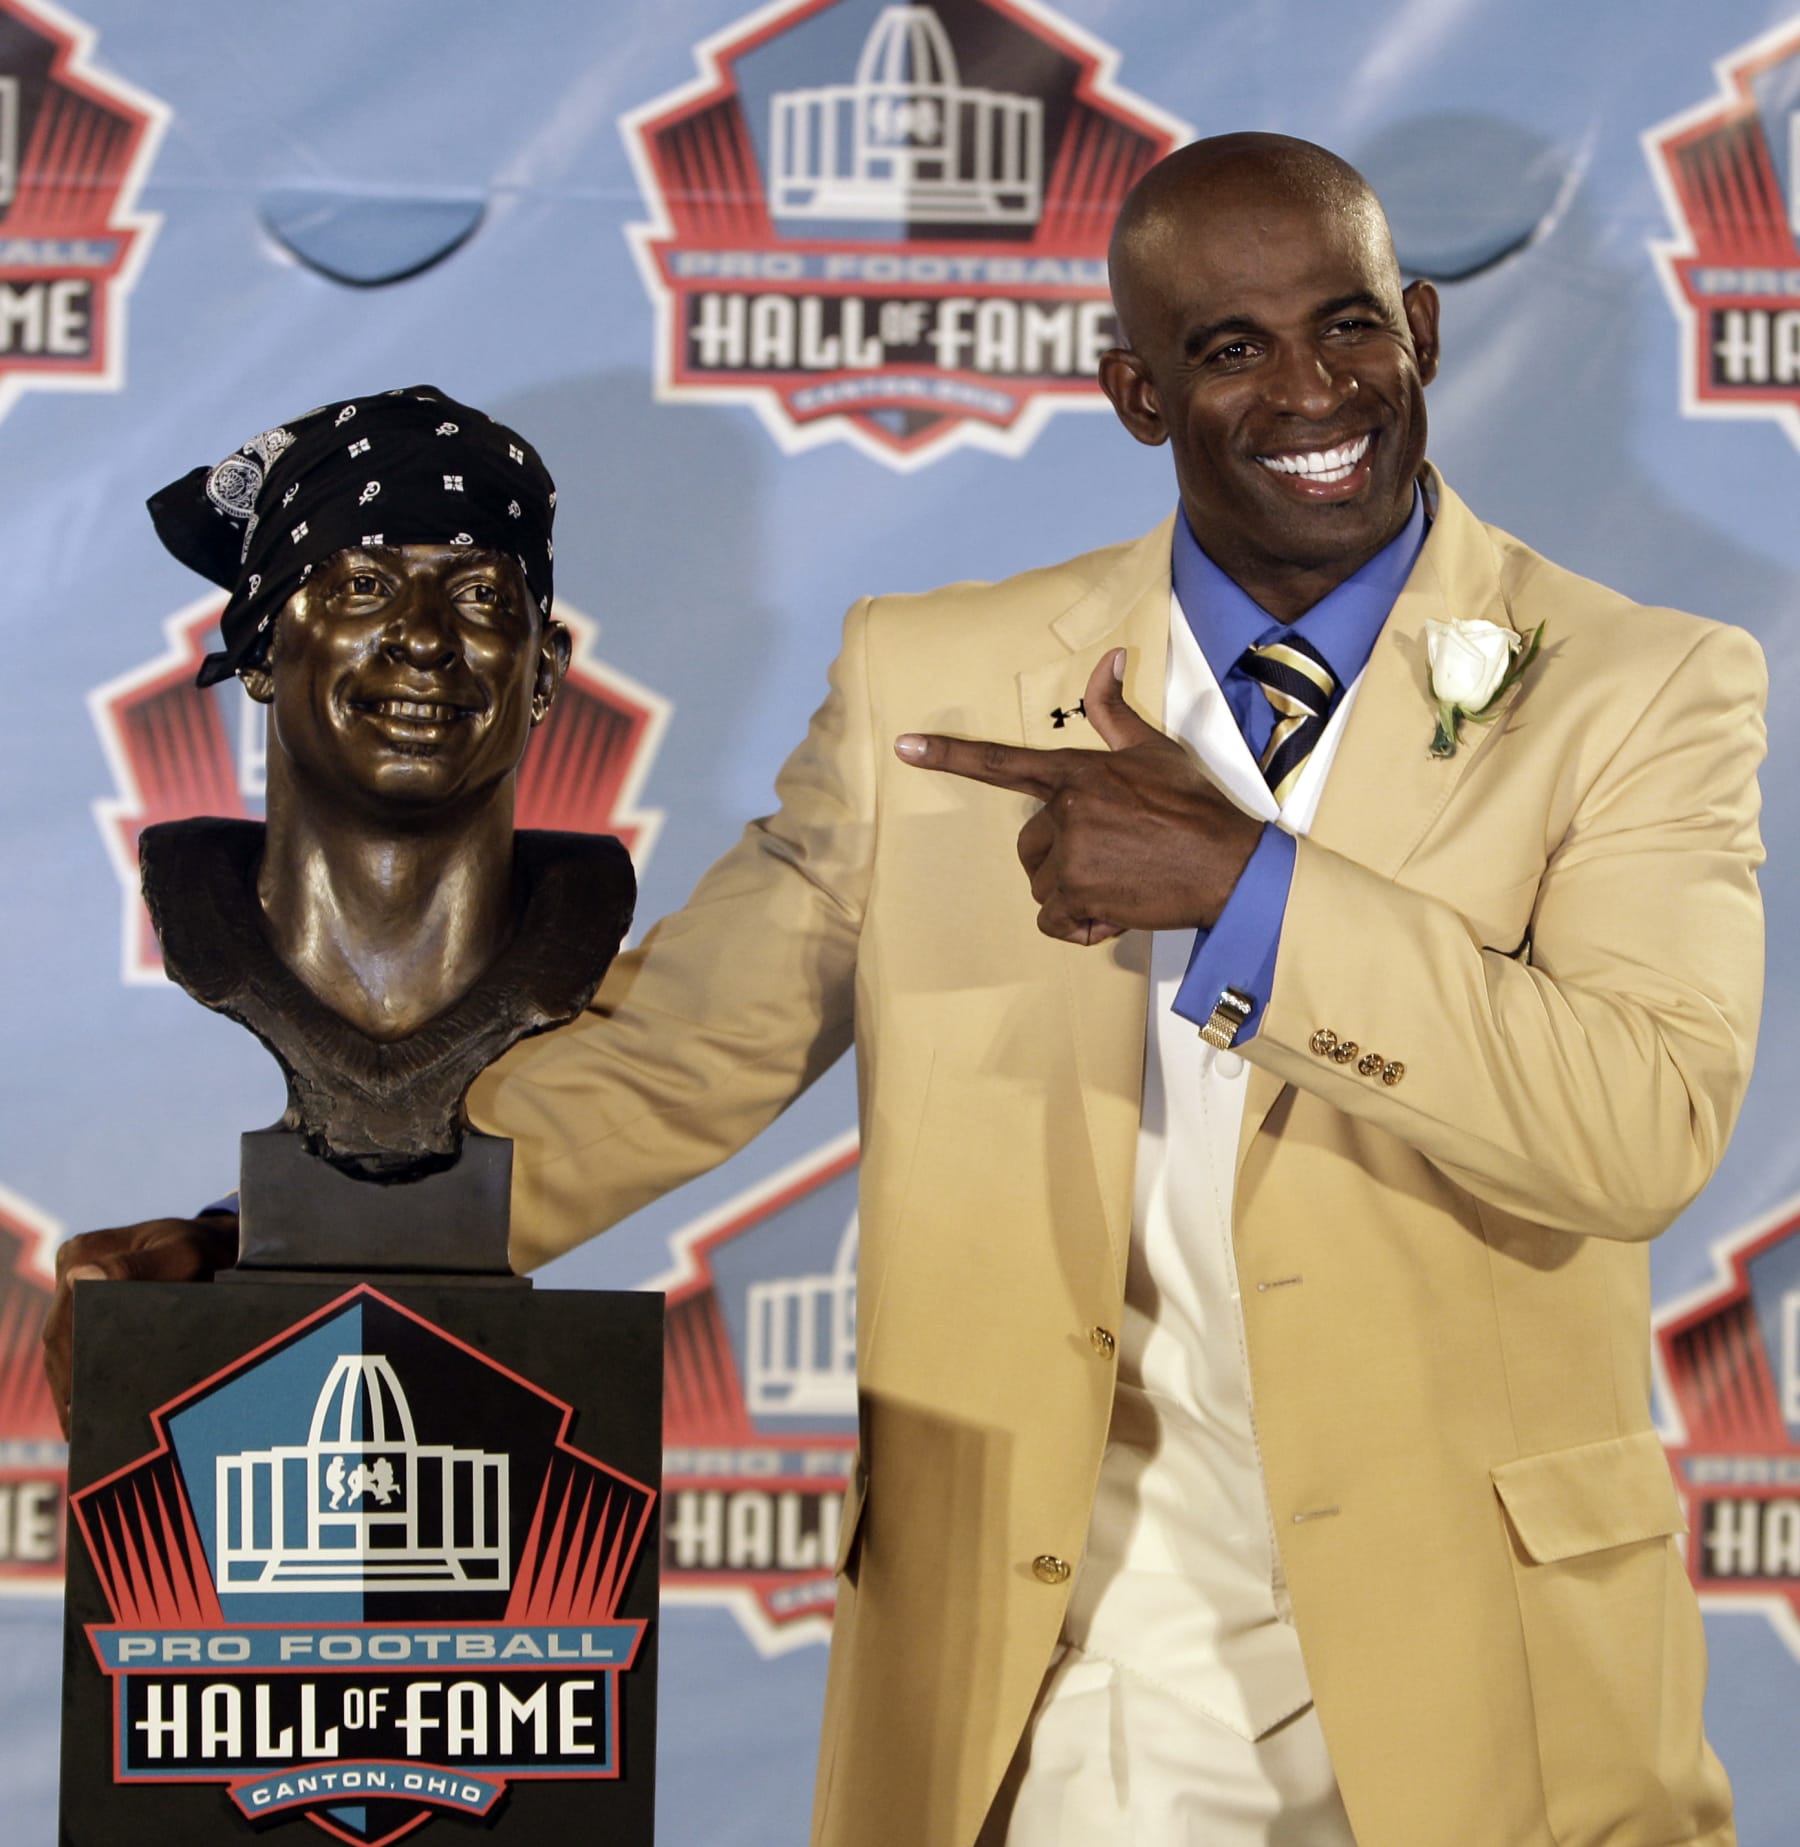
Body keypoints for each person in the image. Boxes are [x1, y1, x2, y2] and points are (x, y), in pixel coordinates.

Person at [50, 139, 1764, 1846]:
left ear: (1428, 333)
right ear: (1137, 392)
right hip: (1063, 1677)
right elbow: (678, 1056)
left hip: (1489, 1683)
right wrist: (270, 1255)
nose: (1314, 389)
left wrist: (1249, 896)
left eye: (1351, 327)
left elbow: (1637, 1129)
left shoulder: (1644, 685)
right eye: (1230, 346)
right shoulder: (932, 682)